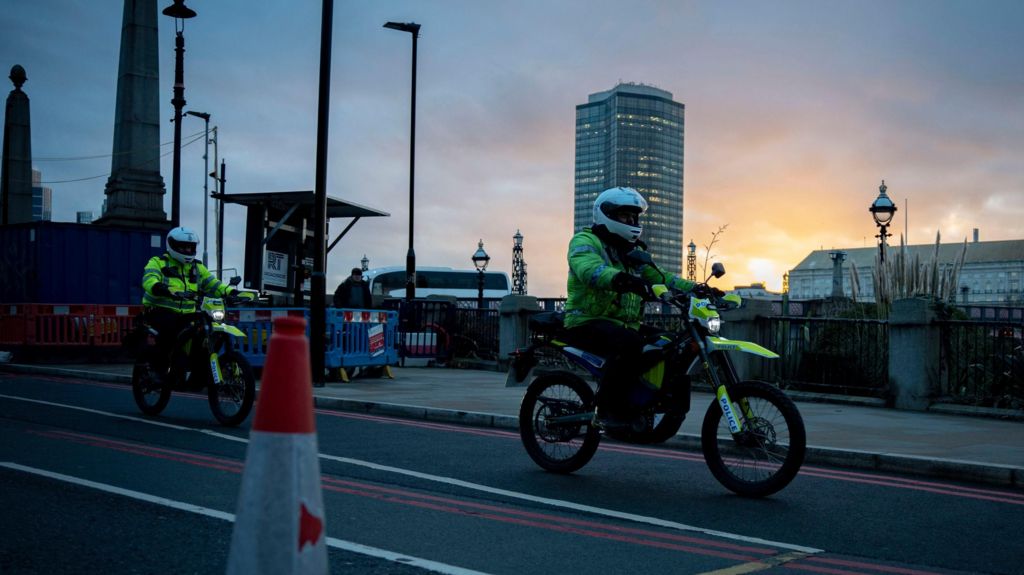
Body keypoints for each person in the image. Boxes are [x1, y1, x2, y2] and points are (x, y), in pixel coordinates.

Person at [564, 186, 704, 426]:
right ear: (606, 215)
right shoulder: (585, 240)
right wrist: (623, 279)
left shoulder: (633, 251)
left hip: (625, 323)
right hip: (586, 320)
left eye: (634, 217)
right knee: (630, 345)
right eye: (625, 216)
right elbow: (589, 270)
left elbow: (661, 277)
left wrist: (697, 288)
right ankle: (609, 409)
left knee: (669, 343)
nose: (631, 221)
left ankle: (648, 402)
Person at [140, 226, 254, 378]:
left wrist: (231, 292)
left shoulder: (197, 267)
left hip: (187, 314)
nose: (188, 251)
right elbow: (149, 279)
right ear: (172, 245)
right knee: (169, 335)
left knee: (203, 333)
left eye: (190, 247)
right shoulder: (158, 262)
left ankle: (198, 369)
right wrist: (161, 287)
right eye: (183, 247)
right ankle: (160, 370)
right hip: (160, 310)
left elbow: (213, 284)